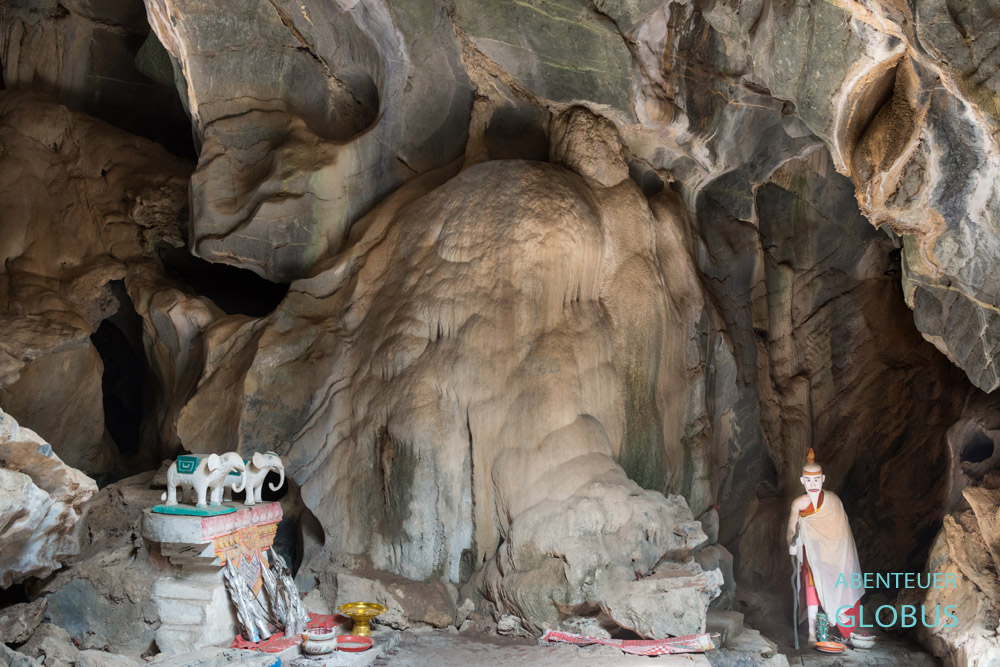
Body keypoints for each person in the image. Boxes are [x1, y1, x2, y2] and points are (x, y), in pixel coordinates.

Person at [786, 448, 863, 644]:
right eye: (808, 480)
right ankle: (812, 633)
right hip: (812, 554)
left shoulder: (833, 500)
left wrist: (841, 557)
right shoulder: (799, 504)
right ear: (802, 481)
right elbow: (791, 528)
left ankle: (835, 624)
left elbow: (843, 533)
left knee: (839, 584)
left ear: (823, 479)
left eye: (816, 480)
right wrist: (791, 543)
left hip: (834, 555)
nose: (812, 484)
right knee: (812, 590)